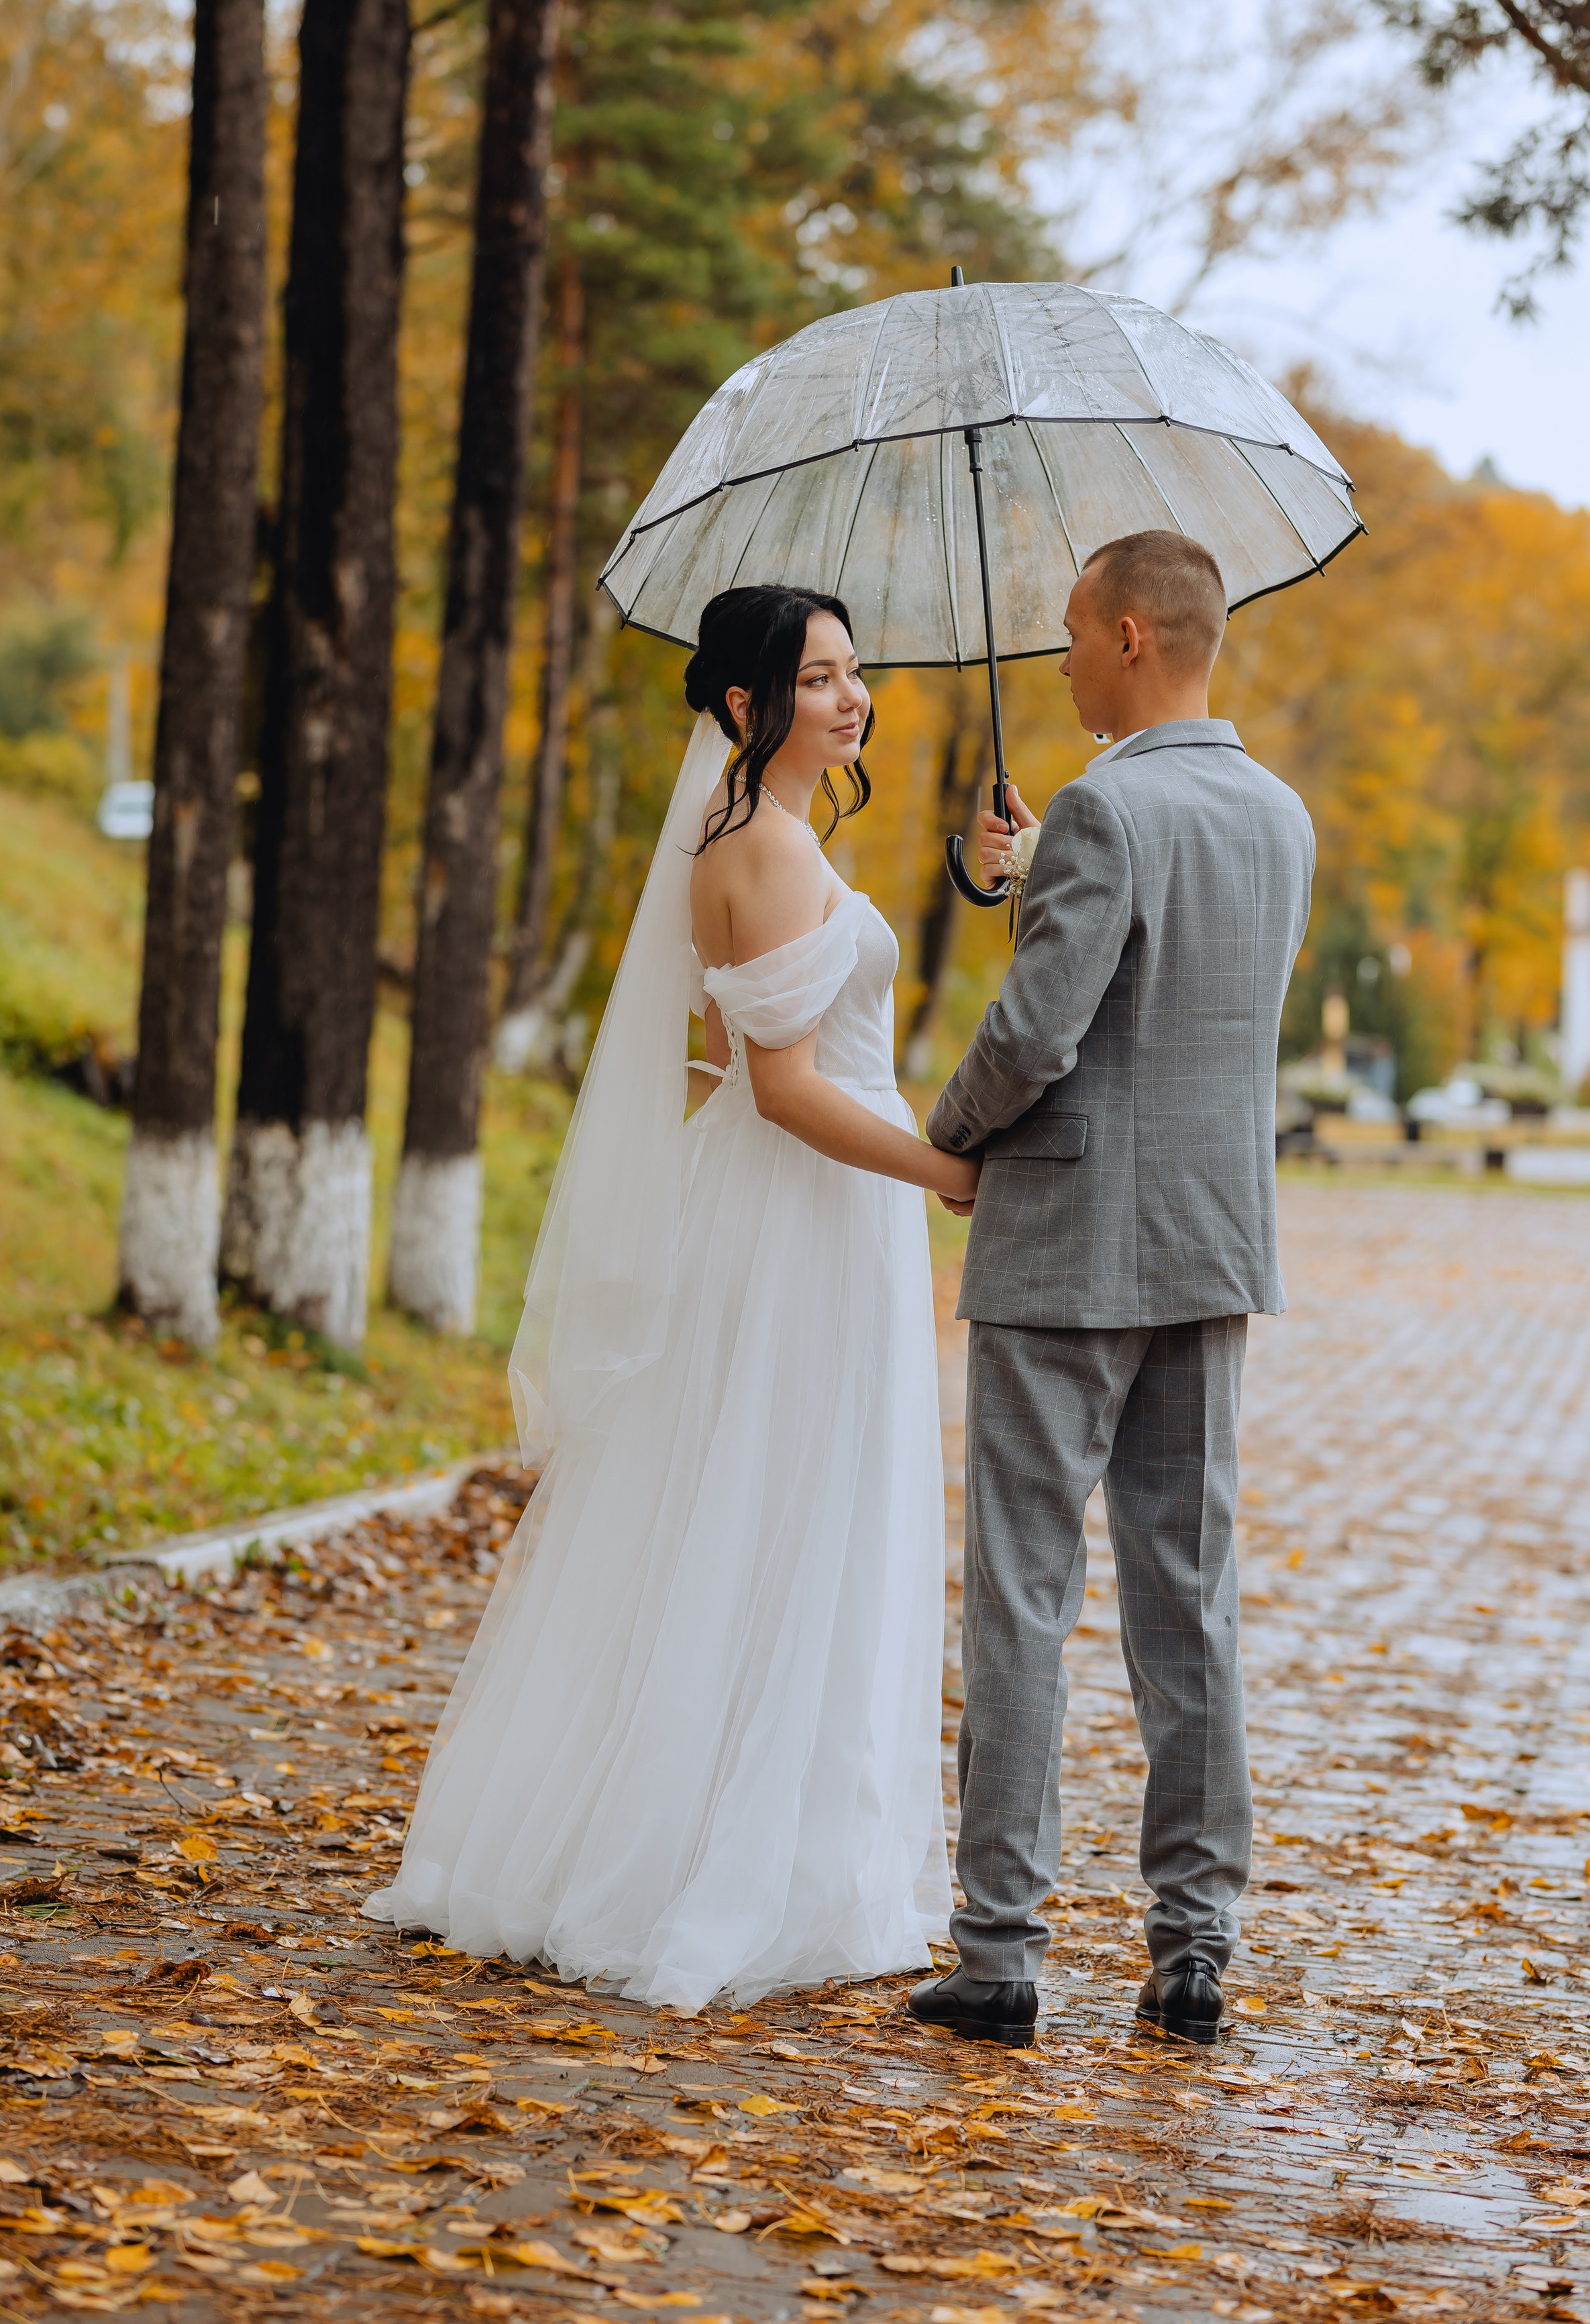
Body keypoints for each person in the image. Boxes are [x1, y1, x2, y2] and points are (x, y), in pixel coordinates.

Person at [366, 585, 976, 2011]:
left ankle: (760, 1835)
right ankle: (717, 1858)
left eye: (852, 671)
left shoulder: (770, 841)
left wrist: (982, 878)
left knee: (766, 1509)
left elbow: (731, 1054)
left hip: (802, 1216)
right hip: (810, 1216)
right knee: (781, 1511)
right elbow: (780, 1089)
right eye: (820, 677)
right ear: (746, 707)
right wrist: (944, 1169)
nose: (852, 696)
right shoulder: (759, 849)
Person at [909, 529, 1314, 2051]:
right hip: (1210, 1250)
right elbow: (1162, 1010)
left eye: (1075, 632)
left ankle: (999, 1953)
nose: (1062, 656)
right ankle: (1192, 1948)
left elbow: (1039, 1038)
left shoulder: (1101, 806)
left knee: (1020, 1594)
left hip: (1064, 1250)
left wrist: (940, 1140)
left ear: (1135, 636)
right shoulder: (1277, 816)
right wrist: (1036, 884)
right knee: (1185, 1599)